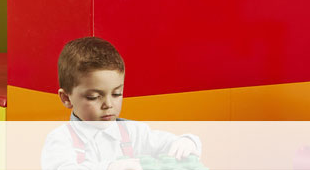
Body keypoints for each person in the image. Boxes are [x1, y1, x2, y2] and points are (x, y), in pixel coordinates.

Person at [41, 37, 201, 170]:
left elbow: (169, 143)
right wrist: (111, 167)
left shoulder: (134, 133)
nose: (108, 104)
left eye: (117, 94)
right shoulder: (61, 140)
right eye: (94, 97)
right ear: (66, 98)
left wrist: (187, 142)